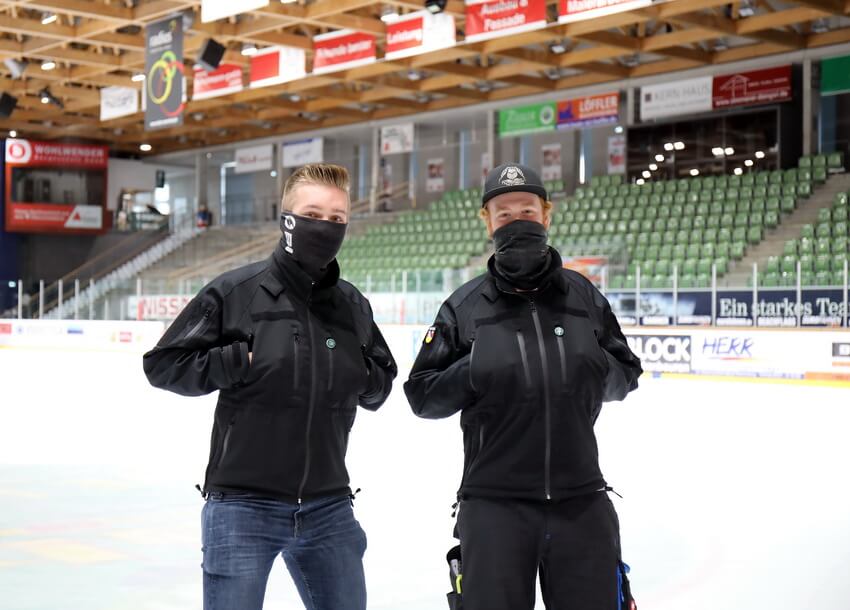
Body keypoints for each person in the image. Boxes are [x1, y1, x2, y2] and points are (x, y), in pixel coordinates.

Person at [143, 163, 398, 610]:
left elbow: (380, 381)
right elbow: (163, 364)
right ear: (287, 220)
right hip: (242, 507)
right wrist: (231, 362)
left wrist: (359, 374)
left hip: (329, 507)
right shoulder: (236, 292)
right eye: (313, 214)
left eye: (337, 218)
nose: (326, 226)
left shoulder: (352, 305)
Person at [404, 163, 642, 610]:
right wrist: (474, 369)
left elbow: (626, 375)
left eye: (527, 211)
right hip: (493, 505)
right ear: (488, 223)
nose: (517, 221)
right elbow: (422, 396)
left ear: (546, 215)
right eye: (505, 214)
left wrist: (595, 366)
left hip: (581, 499)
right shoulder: (464, 307)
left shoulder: (583, 297)